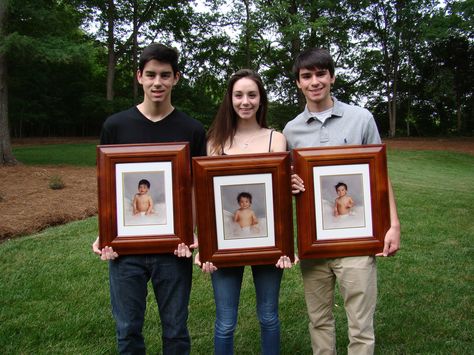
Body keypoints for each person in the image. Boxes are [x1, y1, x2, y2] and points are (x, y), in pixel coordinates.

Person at [283, 48, 400, 355]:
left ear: (332, 77)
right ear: (298, 82)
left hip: (357, 241)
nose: (314, 81)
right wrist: (291, 183)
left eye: (321, 74)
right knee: (318, 320)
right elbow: (287, 187)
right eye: (306, 76)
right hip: (315, 243)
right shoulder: (290, 131)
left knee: (360, 323)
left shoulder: (360, 119)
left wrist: (394, 225)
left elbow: (381, 178)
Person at [91, 43, 206, 354]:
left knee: (176, 330)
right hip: (127, 249)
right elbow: (109, 185)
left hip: (174, 249)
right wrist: (105, 232)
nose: (158, 82)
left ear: (176, 78)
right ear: (139, 76)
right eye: (151, 74)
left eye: (165, 75)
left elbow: (196, 188)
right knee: (127, 330)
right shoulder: (115, 126)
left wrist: (192, 232)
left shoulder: (192, 130)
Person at [196, 69, 294, 355]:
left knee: (269, 316)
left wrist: (286, 245)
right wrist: (207, 248)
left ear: (261, 99)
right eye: (239, 95)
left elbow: (279, 198)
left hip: (267, 242)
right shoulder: (215, 142)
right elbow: (207, 200)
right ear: (230, 99)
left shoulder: (276, 140)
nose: (245, 101)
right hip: (226, 245)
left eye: (252, 94)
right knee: (225, 322)